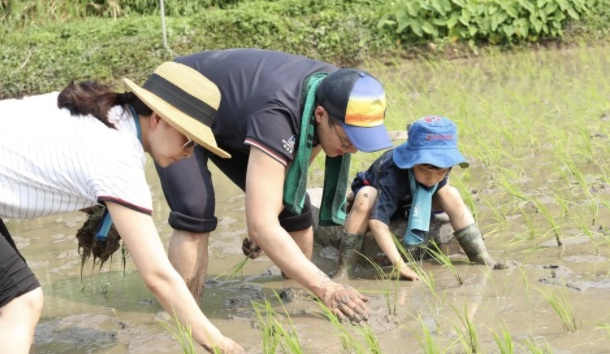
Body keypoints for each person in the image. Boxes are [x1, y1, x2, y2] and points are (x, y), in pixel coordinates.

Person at [0, 62, 243, 353]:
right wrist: (220, 343)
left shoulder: (105, 113)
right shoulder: (119, 157)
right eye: (189, 140)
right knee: (21, 302)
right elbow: (158, 276)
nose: (189, 153)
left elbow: (46, 166)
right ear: (157, 118)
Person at [154, 48, 393, 323]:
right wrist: (327, 286)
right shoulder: (279, 115)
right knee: (195, 210)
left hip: (236, 116)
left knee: (294, 209)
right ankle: (185, 318)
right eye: (347, 140)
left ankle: (296, 302)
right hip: (181, 98)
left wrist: (265, 223)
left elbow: (293, 176)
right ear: (320, 115)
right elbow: (262, 223)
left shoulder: (335, 89)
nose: (350, 150)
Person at [337, 116, 495, 280]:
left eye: (440, 173)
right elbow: (377, 223)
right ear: (411, 162)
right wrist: (401, 266)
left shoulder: (442, 168)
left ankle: (482, 258)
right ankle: (343, 272)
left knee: (451, 193)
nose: (432, 179)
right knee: (365, 197)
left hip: (413, 198)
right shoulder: (393, 173)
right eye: (425, 171)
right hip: (382, 194)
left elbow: (439, 183)